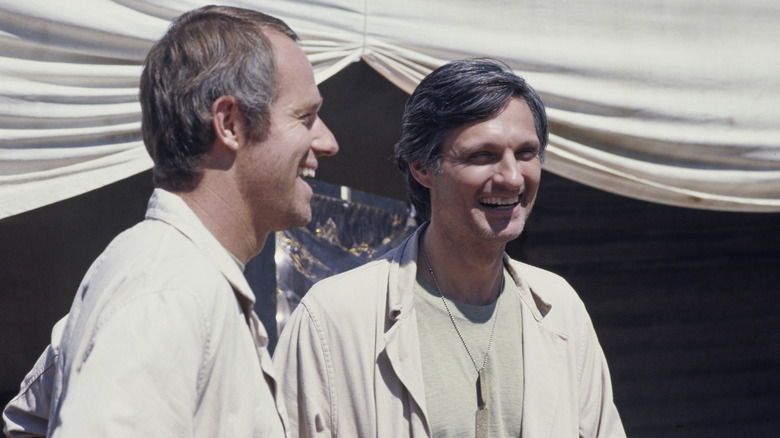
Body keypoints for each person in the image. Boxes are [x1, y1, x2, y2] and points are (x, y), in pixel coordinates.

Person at [3, 5, 337, 437]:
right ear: (230, 123)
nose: (327, 141)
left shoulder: (166, 277)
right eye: (305, 116)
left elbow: (26, 421)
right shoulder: (169, 289)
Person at [273, 59, 625, 437]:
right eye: (482, 156)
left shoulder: (560, 310)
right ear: (423, 167)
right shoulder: (333, 318)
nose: (511, 177)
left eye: (526, 153)